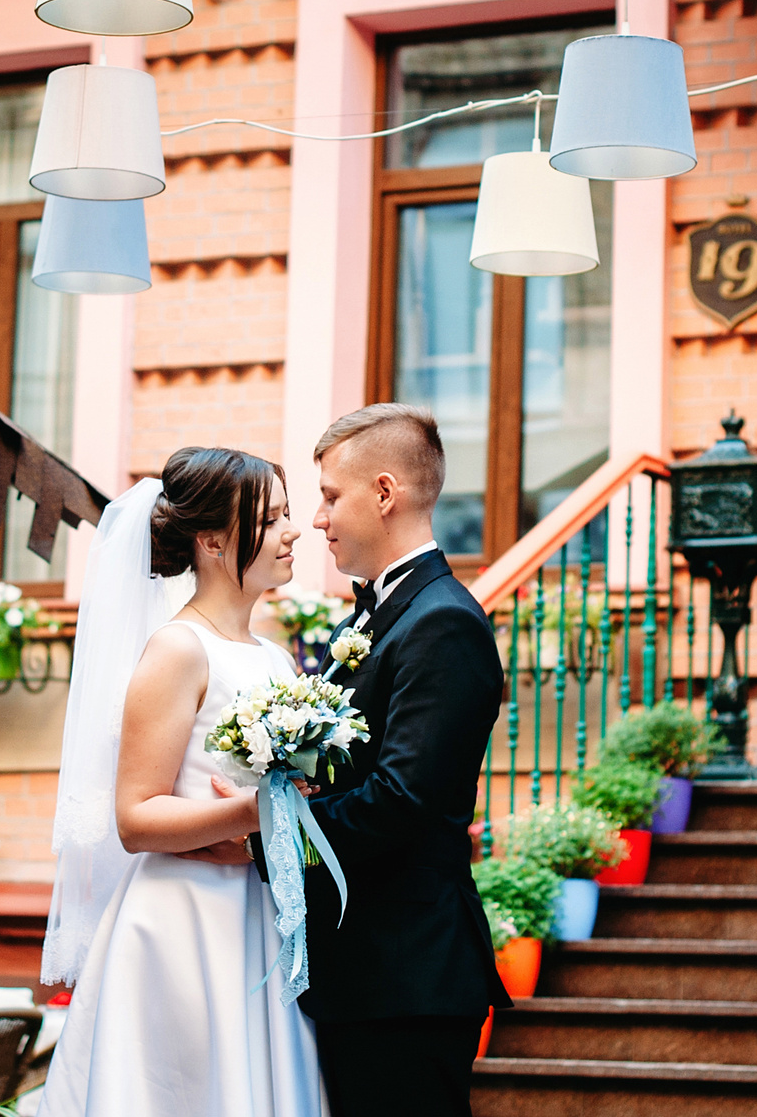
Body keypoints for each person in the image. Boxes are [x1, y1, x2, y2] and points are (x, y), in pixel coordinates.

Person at [40, 447, 329, 1117]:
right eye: (272, 518)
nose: (293, 532)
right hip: (185, 925)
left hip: (260, 914)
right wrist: (255, 812)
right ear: (213, 541)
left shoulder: (276, 657)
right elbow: (135, 817)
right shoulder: (178, 649)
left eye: (288, 515)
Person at [299, 403, 508, 1117]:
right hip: (362, 969)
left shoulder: (442, 622)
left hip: (405, 975)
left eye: (331, 496)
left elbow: (401, 801)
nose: (319, 519)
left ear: (384, 492)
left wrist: (265, 837)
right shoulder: (372, 616)